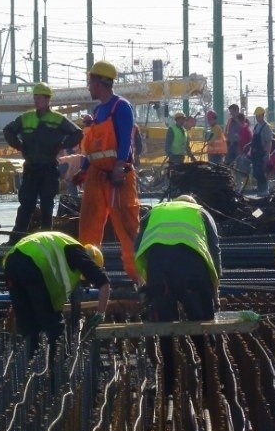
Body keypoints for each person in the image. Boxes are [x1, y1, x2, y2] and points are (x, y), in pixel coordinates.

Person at [134, 195, 221, 397]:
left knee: (165, 328)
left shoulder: (153, 212)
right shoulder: (200, 212)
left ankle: (169, 385)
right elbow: (214, 250)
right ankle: (210, 385)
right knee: (203, 326)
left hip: (158, 274)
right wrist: (215, 290)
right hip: (192, 273)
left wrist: (145, 286)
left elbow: (138, 248)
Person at [76, 60, 141, 282]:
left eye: (90, 82)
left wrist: (120, 168)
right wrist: (83, 170)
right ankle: (89, 276)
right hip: (96, 176)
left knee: (127, 228)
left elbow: (125, 141)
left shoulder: (120, 107)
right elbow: (94, 148)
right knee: (89, 227)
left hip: (116, 176)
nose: (88, 87)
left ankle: (138, 278)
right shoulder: (98, 110)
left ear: (100, 83)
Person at [3, 232, 110, 357]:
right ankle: (58, 365)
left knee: (28, 324)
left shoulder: (64, 250)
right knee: (52, 323)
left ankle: (32, 364)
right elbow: (104, 282)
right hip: (33, 262)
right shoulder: (78, 253)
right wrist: (100, 313)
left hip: (10, 263)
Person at [3, 82, 83, 238]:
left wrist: (62, 145)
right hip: (31, 168)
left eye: (39, 98)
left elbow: (78, 133)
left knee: (47, 205)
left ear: (48, 100)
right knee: (26, 204)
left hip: (49, 169)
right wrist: (18, 145)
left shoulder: (57, 119)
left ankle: (46, 237)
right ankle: (17, 238)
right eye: (35, 98)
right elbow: (8, 131)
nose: (36, 101)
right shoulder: (26, 118)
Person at [250, 106, 273, 195]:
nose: (257, 118)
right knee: (256, 173)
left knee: (260, 172)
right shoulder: (256, 127)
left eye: (258, 116)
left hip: (262, 153)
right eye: (256, 116)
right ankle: (260, 190)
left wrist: (267, 155)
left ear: (263, 115)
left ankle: (264, 190)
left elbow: (268, 142)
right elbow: (254, 140)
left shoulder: (266, 127)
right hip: (255, 153)